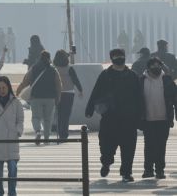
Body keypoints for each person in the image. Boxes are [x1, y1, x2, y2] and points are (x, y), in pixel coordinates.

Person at [84, 48, 143, 182]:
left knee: (128, 148)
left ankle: (126, 172)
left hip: (129, 119)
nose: (119, 58)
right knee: (106, 146)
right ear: (112, 58)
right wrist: (89, 109)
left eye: (121, 55)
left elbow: (139, 97)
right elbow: (95, 92)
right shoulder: (105, 75)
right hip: (109, 118)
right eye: (116, 56)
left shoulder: (132, 76)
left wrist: (140, 116)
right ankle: (106, 162)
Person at [139, 57, 177, 179]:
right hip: (147, 119)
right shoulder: (141, 80)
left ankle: (160, 170)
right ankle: (148, 169)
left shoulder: (167, 80)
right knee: (149, 145)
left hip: (164, 119)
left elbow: (175, 98)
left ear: (161, 66)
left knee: (161, 145)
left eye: (158, 65)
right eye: (153, 65)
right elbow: (136, 100)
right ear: (148, 67)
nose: (156, 68)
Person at [0, 77, 23, 196]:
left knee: (13, 171)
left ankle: (12, 193)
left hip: (12, 140)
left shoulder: (16, 101)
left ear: (8, 87)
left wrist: (18, 130)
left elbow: (20, 119)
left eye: (4, 87)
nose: (2, 90)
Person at [15, 50, 61, 145]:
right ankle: (47, 138)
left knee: (36, 117)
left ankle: (38, 131)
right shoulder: (53, 69)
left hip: (36, 97)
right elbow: (58, 85)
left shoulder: (34, 68)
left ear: (40, 58)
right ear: (49, 58)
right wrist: (58, 97)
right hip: (50, 98)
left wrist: (18, 91)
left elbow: (25, 81)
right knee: (48, 118)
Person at [53, 49, 83, 141]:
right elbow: (75, 80)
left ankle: (59, 131)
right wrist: (80, 90)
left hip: (57, 93)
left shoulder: (54, 68)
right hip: (69, 93)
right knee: (66, 114)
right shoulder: (69, 68)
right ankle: (64, 133)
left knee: (59, 113)